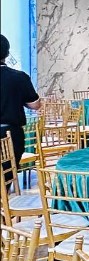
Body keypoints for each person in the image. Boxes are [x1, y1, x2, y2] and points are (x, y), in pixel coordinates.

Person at [0, 33, 41, 188]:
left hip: (10, 132)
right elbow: (35, 105)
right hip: (10, 134)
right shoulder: (19, 77)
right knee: (6, 178)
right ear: (7, 53)